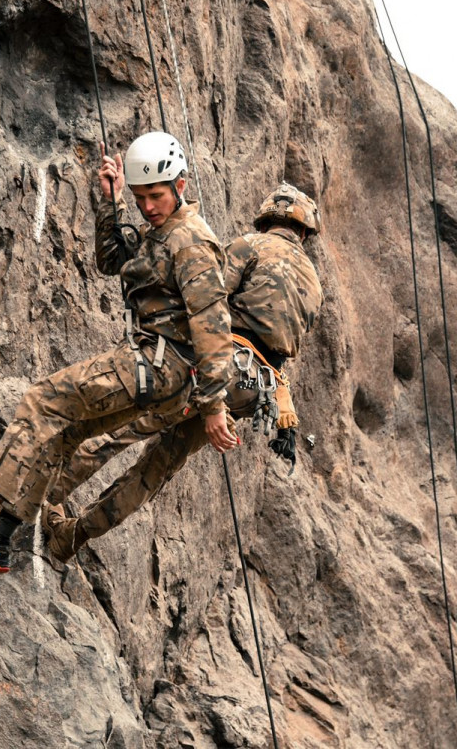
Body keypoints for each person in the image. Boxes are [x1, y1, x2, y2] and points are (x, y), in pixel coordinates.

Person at [0, 131, 236, 572]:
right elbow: (111, 260)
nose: (148, 206)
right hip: (158, 373)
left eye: (155, 196)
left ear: (180, 186)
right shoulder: (162, 231)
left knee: (42, 401)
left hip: (157, 365)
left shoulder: (190, 241)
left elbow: (213, 326)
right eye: (140, 197)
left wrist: (213, 405)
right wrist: (111, 200)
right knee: (64, 434)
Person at [42, 182, 324, 562]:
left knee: (123, 428)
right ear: (304, 232)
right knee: (158, 467)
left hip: (217, 368)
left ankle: (47, 495)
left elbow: (208, 299)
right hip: (255, 389)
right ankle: (71, 537)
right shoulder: (315, 284)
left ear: (266, 221)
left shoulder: (251, 246)